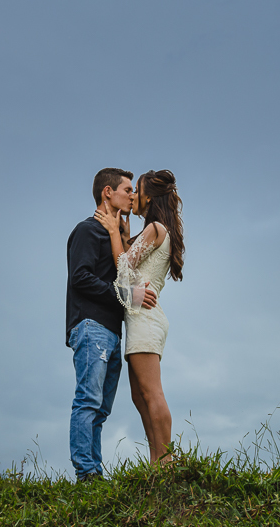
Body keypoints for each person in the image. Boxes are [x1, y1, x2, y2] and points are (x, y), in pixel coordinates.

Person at [66, 168, 157, 482]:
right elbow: (80, 278)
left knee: (101, 409)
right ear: (108, 192)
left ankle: (94, 473)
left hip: (111, 332)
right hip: (91, 326)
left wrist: (122, 237)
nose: (132, 196)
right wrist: (128, 296)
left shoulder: (110, 234)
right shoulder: (88, 230)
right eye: (127, 190)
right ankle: (86, 473)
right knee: (88, 401)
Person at [94, 169, 184, 464]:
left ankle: (165, 461)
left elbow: (123, 267)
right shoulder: (152, 230)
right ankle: (157, 461)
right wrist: (123, 232)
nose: (132, 196)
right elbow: (127, 261)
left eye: (137, 191)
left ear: (149, 198)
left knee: (152, 393)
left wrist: (112, 231)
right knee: (139, 395)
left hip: (145, 317)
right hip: (140, 318)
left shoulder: (155, 228)